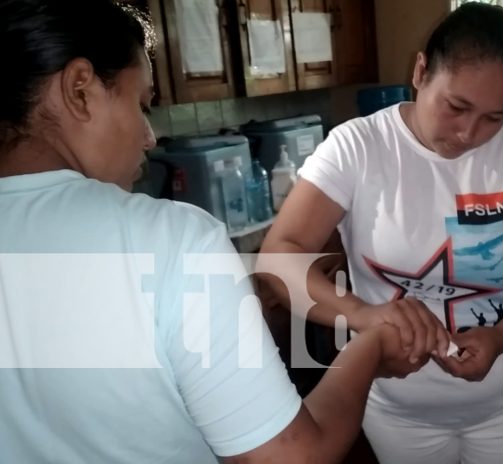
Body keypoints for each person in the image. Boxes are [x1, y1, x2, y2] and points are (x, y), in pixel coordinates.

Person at [0, 1, 425, 463]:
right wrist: (370, 346)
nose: (148, 136)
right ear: (80, 89)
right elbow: (288, 457)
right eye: (141, 104)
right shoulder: (172, 241)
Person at [260, 2, 503, 463]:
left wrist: (501, 337)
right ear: (420, 71)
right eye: (457, 106)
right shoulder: (358, 147)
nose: (469, 133)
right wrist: (362, 316)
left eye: (495, 117)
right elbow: (279, 257)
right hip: (396, 409)